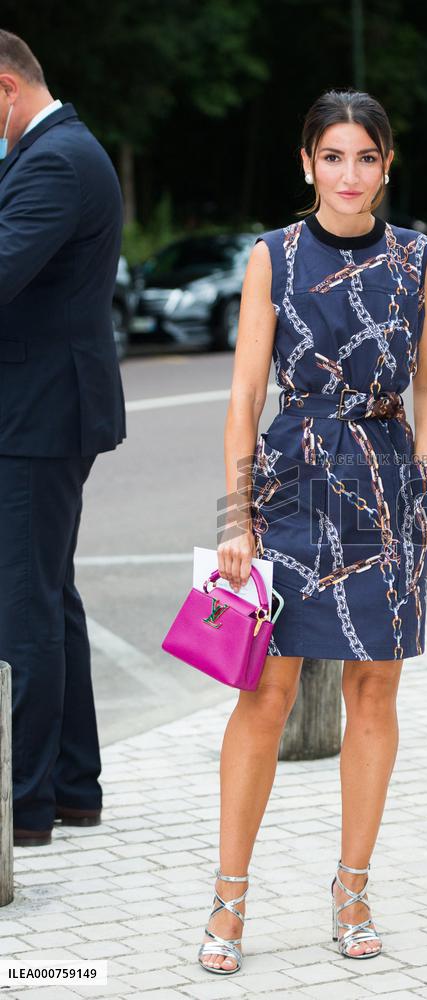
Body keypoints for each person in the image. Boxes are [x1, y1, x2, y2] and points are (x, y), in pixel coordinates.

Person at [197, 89, 427, 974]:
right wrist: (238, 516)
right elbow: (243, 394)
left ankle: (352, 890)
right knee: (263, 692)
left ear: (387, 165)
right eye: (332, 156)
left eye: (366, 158)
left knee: (374, 693)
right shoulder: (274, 255)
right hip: (293, 483)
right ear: (306, 163)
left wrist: (422, 485)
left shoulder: (419, 257)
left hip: (385, 488)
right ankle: (228, 901)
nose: (349, 175)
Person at [0, 31, 125, 847]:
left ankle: (23, 803)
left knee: (22, 607)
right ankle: (73, 783)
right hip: (42, 407)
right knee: (51, 597)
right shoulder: (53, 152)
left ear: (6, 87)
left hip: (38, 414)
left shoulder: (54, 160)